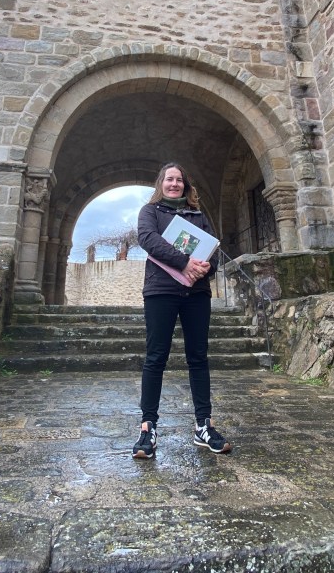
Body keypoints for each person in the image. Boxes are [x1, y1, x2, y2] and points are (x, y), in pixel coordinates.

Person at [132, 162, 232, 458]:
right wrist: (185, 263)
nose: (174, 184)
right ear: (161, 183)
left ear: (186, 186)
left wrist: (205, 268)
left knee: (198, 357)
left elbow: (213, 251)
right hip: (161, 291)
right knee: (156, 357)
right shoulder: (150, 212)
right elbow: (147, 240)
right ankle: (148, 427)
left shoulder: (198, 216)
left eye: (180, 180)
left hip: (196, 292)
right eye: (169, 179)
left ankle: (204, 425)